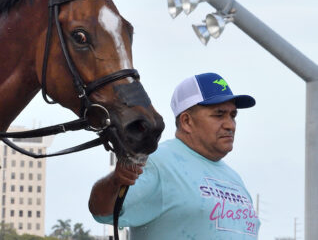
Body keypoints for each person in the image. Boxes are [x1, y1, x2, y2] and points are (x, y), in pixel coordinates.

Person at [88, 72, 260, 239]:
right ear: (187, 121)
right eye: (219, 114)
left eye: (233, 115)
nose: (230, 125)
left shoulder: (235, 179)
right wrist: (116, 180)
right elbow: (102, 211)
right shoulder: (157, 163)